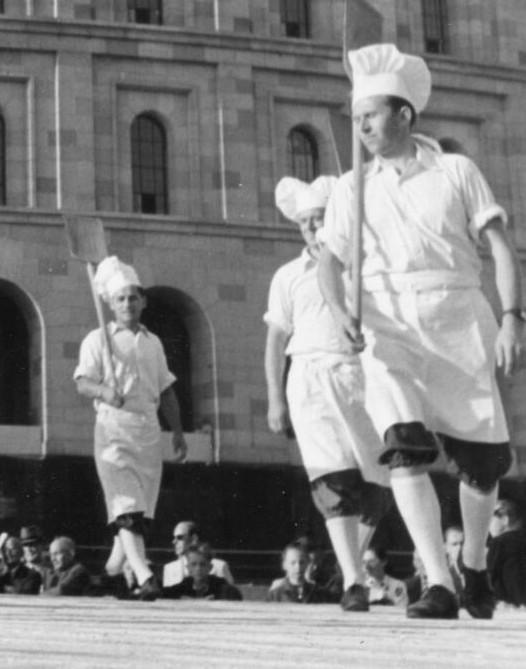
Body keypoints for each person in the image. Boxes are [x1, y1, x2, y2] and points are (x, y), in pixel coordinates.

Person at [317, 43, 523, 621]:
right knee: (403, 448)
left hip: (458, 319)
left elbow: (500, 247)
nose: (362, 128)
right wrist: (340, 311)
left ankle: (473, 564)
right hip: (386, 328)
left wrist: (512, 316)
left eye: (371, 116)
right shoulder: (350, 187)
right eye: (356, 119)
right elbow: (329, 263)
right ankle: (439, 581)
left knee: (483, 464)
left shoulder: (456, 170)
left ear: (404, 114)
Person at [265, 174, 393, 612]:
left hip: (362, 378)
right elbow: (275, 342)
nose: (312, 227)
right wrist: (275, 398)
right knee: (331, 478)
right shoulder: (288, 276)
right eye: (305, 221)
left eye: (319, 218)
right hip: (310, 379)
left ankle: (348, 564)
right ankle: (354, 582)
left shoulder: (365, 266)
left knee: (377, 482)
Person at [74, 256, 188, 601]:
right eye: (120, 298)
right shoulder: (97, 339)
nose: (127, 304)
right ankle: (145, 575)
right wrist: (104, 391)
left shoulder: (154, 343)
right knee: (126, 506)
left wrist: (178, 431)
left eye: (133, 297)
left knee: (139, 511)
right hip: (113, 429)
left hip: (148, 430)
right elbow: (82, 381)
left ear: (143, 301)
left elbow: (166, 390)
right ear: (110, 303)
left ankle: (109, 575)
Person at [159, 521, 235, 587]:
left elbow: (231, 595)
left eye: (180, 537)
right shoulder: (169, 568)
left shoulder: (220, 566)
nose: (174, 542)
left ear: (194, 538)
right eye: (174, 538)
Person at [161, 544, 243, 601]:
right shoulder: (186, 584)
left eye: (202, 565)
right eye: (194, 564)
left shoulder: (220, 585)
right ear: (188, 568)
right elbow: (166, 593)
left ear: (210, 567)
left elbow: (233, 595)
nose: (198, 569)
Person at [486, 498, 525, 610]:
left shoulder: (500, 542)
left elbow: (488, 577)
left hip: (509, 607)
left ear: (505, 519)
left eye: (489, 519)